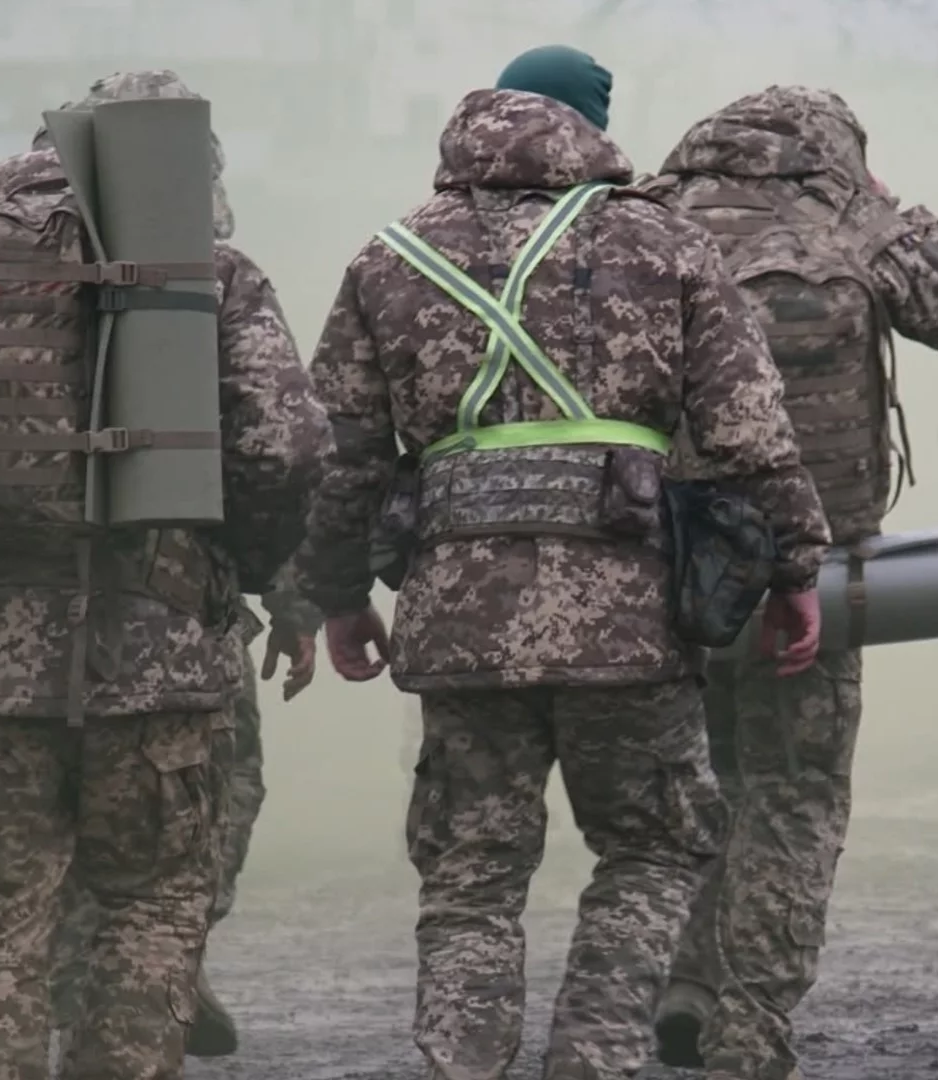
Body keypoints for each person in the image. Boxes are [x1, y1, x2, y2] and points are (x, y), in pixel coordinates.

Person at [291, 47, 830, 1080]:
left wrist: (339, 595)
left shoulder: (389, 258)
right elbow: (749, 429)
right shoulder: (661, 242)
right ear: (591, 125)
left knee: (471, 877)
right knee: (652, 850)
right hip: (629, 618)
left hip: (457, 621)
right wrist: (797, 565)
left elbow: (342, 455)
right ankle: (595, 1058)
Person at [0, 69, 329, 1079]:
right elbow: (287, 447)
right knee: (149, 900)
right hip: (159, 653)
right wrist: (239, 570)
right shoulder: (214, 272)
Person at [641, 85, 938, 1080]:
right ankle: (750, 1025)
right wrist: (892, 206)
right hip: (817, 565)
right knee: (793, 793)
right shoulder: (847, 220)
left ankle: (685, 982)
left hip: (668, 563)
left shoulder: (644, 217)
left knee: (697, 783)